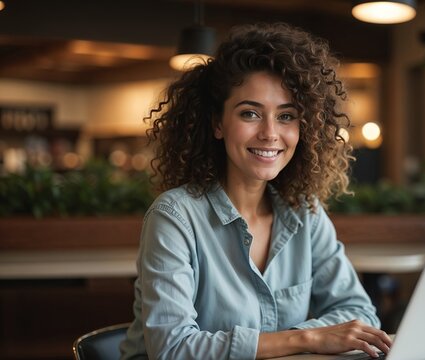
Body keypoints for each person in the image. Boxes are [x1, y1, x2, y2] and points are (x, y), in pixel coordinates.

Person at [120, 23, 392, 360]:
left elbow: (360, 313)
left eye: (286, 116)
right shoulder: (174, 216)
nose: (270, 133)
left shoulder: (304, 212)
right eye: (250, 113)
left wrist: (303, 337)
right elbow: (173, 348)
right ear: (218, 124)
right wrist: (307, 339)